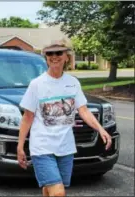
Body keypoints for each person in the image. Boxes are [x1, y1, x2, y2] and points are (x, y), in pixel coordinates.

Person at [17, 39, 112, 197]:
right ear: (46, 57)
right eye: (50, 53)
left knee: (50, 189)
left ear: (66, 56)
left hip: (66, 147)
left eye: (58, 52)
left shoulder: (72, 82)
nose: (54, 56)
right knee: (58, 192)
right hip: (42, 147)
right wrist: (20, 147)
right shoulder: (37, 84)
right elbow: (27, 117)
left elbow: (83, 110)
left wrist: (101, 129)